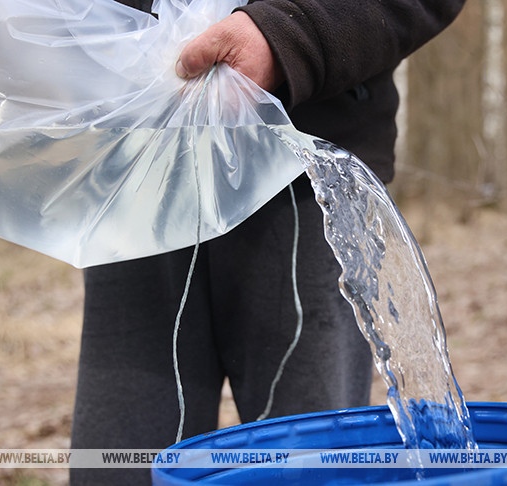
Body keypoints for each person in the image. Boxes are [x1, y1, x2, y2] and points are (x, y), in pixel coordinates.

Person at [70, 1, 466, 484]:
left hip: (305, 170)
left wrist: (290, 34)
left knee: (310, 467)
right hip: (132, 160)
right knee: (121, 467)